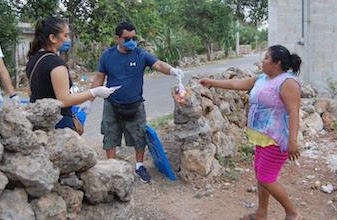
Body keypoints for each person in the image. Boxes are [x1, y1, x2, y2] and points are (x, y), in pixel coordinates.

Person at [200, 45, 302, 220]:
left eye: (266, 58)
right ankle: (261, 214)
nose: (262, 61)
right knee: (261, 176)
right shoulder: (263, 78)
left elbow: (294, 111)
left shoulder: (287, 82)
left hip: (276, 139)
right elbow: (236, 83)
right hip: (261, 137)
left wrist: (293, 141)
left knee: (266, 178)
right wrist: (211, 82)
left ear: (277, 63)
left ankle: (292, 213)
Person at [89, 21, 184, 183]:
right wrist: (87, 100)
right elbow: (99, 78)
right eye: (127, 38)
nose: (131, 41)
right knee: (110, 136)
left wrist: (172, 71)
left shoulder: (141, 55)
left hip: (135, 104)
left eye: (134, 38)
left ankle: (139, 166)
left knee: (139, 136)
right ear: (117, 39)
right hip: (112, 104)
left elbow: (158, 64)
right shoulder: (108, 56)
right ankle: (112, 169)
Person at [26, 16, 115, 130]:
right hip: (58, 124)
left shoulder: (33, 59)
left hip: (38, 122)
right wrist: (94, 92)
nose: (68, 39)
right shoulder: (56, 64)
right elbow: (64, 100)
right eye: (65, 35)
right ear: (53, 38)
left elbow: (30, 92)